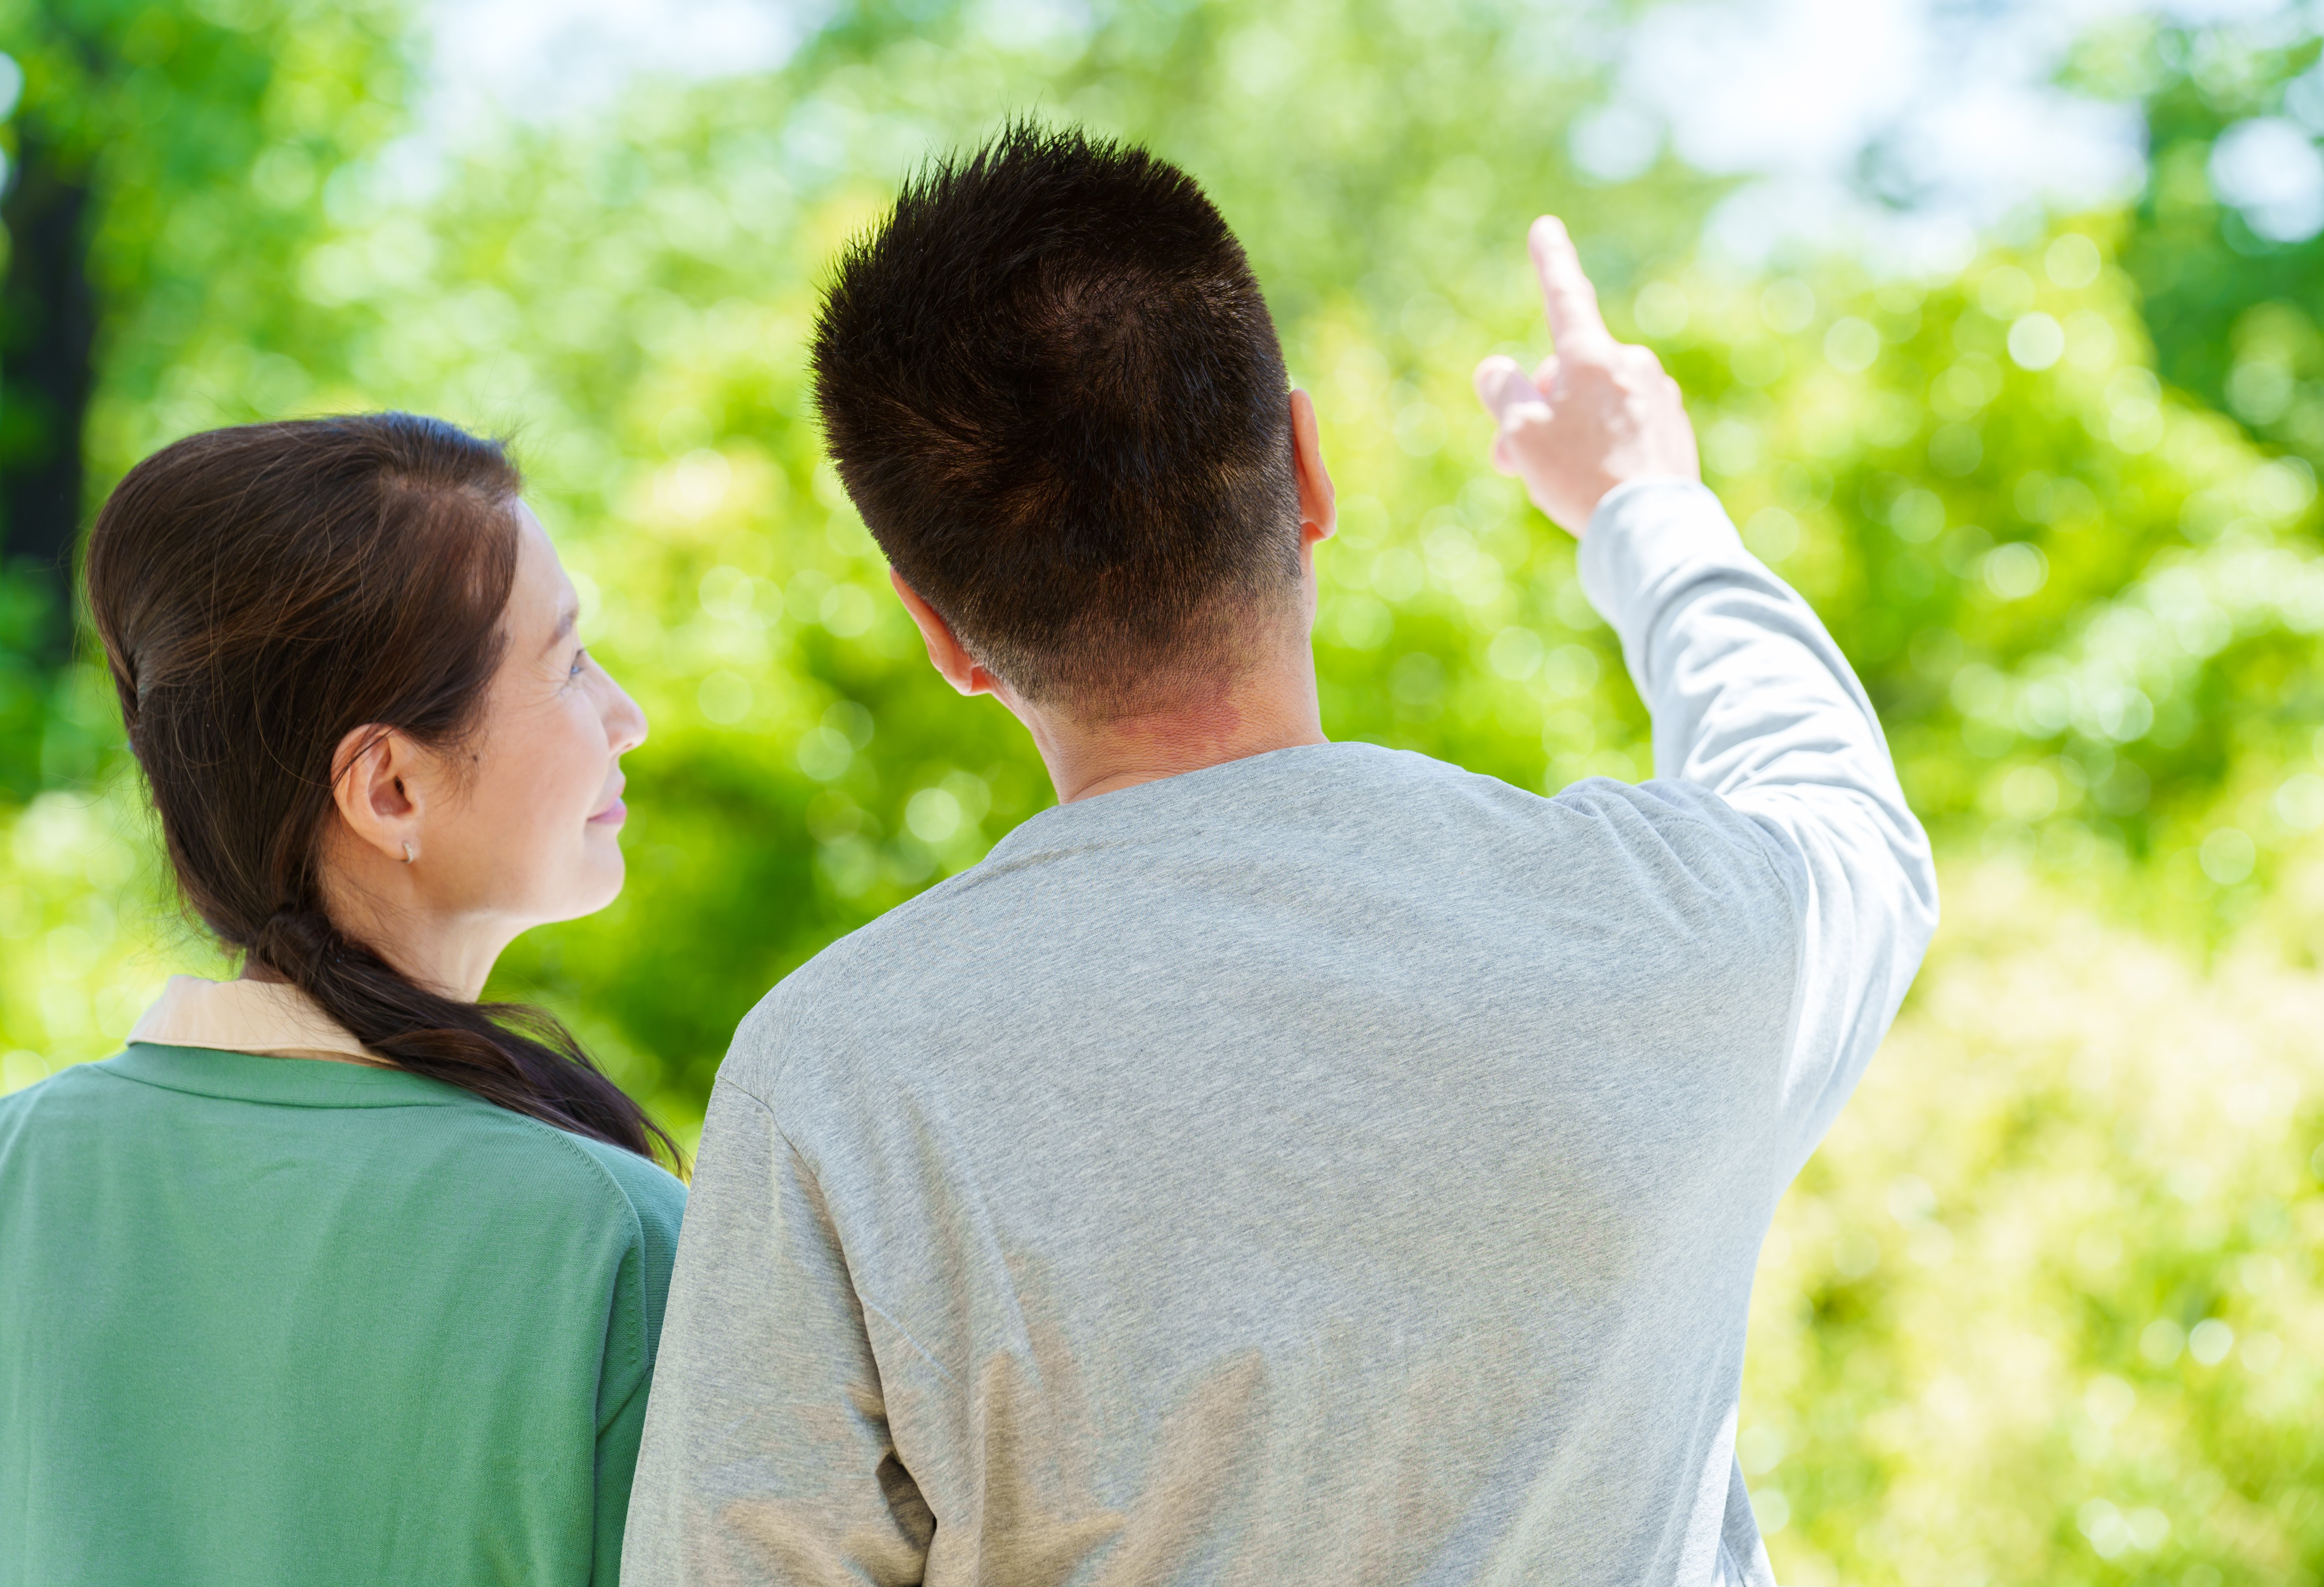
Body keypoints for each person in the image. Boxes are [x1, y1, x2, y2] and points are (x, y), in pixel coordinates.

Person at [624, 126, 1936, 1587]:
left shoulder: (837, 1073)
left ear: (940, 631)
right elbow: (1836, 796)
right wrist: (1647, 505)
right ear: (1309, 470)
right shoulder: (1660, 924)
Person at [0, 414, 686, 1587]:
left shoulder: (19, 1168)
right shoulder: (608, 1241)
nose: (625, 715)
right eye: (569, 664)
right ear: (390, 786)